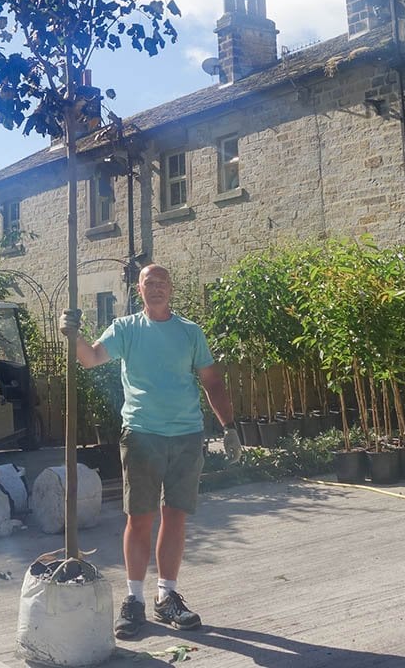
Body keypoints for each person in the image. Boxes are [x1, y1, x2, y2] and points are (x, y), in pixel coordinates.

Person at [73, 263, 241, 639]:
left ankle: (167, 597)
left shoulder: (189, 332)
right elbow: (90, 358)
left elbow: (212, 381)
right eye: (151, 283)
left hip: (186, 435)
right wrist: (73, 334)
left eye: (164, 283)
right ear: (139, 289)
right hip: (142, 435)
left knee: (176, 516)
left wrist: (229, 427)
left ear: (172, 289)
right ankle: (133, 600)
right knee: (140, 518)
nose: (158, 288)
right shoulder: (126, 329)